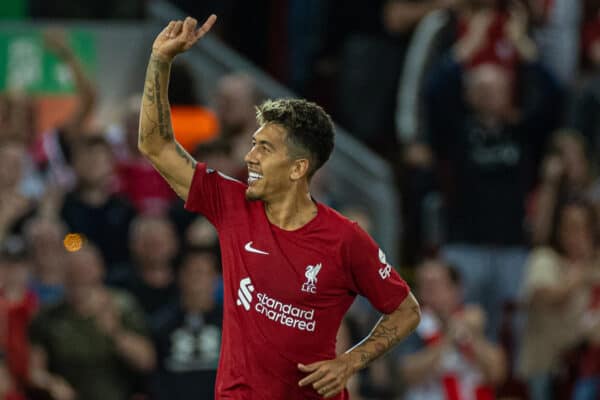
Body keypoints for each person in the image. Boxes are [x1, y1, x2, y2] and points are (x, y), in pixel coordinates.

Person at [138, 15, 421, 399]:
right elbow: (155, 145)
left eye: (264, 148)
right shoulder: (230, 205)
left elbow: (406, 310)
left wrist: (349, 362)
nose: (250, 157)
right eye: (254, 143)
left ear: (298, 168)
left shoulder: (344, 239)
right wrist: (160, 61)